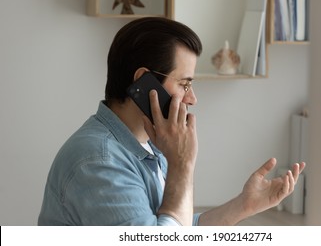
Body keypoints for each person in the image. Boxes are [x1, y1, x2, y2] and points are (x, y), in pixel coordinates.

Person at [38, 17, 305, 226]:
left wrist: (244, 205)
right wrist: (182, 165)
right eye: (184, 84)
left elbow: (175, 227)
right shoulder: (99, 161)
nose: (192, 99)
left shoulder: (151, 146)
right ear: (145, 82)